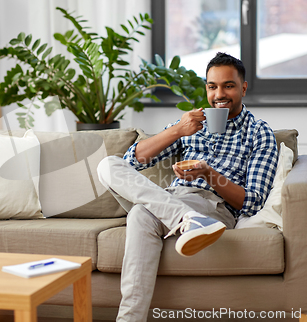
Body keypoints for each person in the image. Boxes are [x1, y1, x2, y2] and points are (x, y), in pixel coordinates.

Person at [97, 52, 279, 322]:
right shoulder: (192, 123)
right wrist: (176, 131)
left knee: (139, 214)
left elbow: (251, 201)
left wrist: (208, 174)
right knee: (107, 165)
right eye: (212, 86)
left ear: (243, 87)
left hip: (212, 207)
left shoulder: (258, 132)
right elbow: (131, 161)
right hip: (170, 198)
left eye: (228, 85)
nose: (219, 94)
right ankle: (185, 219)